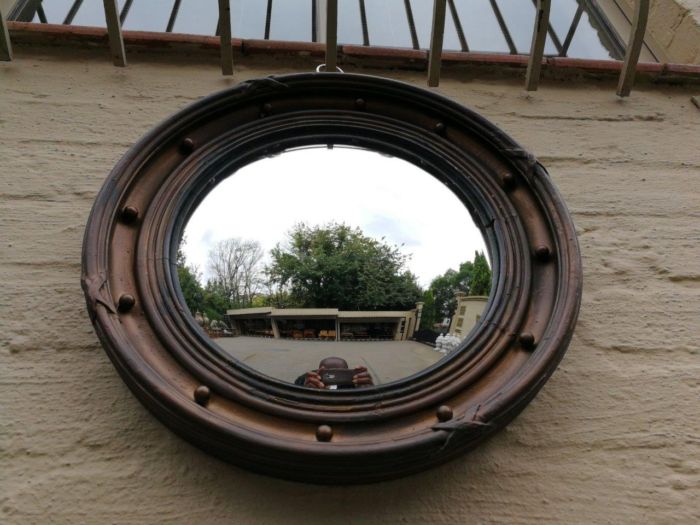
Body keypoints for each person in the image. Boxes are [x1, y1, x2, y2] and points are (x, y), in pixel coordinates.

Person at [294, 357, 373, 389]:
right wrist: (305, 390)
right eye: (327, 372)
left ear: (348, 372)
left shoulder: (355, 382)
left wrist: (367, 389)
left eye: (341, 372)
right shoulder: (306, 379)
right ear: (318, 372)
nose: (334, 377)